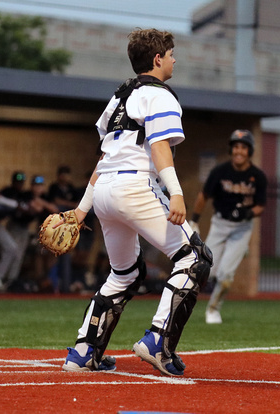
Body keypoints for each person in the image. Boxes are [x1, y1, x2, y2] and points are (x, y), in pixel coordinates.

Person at [61, 28, 212, 376]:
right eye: (171, 54)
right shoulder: (160, 96)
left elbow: (104, 158)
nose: (175, 59)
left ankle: (84, 352)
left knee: (125, 274)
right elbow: (159, 148)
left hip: (105, 193)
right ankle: (158, 341)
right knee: (195, 258)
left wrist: (82, 209)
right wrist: (176, 192)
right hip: (135, 186)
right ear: (157, 59)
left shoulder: (118, 98)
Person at [189, 129, 267, 324]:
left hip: (242, 228)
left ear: (249, 151)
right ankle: (240, 250)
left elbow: (260, 206)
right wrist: (194, 220)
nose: (239, 151)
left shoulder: (257, 176)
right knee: (207, 269)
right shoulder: (220, 172)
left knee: (225, 275)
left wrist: (249, 212)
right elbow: (203, 196)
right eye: (236, 147)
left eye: (243, 148)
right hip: (220, 224)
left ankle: (213, 309)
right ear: (231, 150)